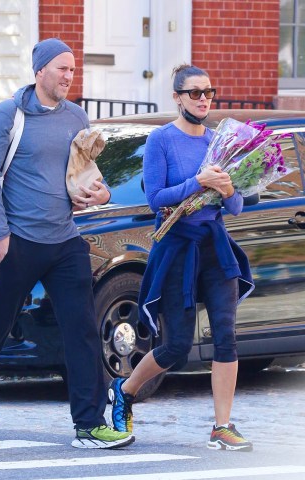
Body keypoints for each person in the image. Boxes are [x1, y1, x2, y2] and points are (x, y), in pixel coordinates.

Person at [0, 38, 134, 450]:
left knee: (83, 329)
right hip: (19, 241)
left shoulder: (76, 116)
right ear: (40, 72)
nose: (70, 76)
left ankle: (88, 424)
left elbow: (84, 174)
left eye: (73, 69)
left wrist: (98, 194)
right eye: (62, 69)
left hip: (65, 240)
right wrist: (0, 236)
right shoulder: (8, 115)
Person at [108, 64, 254, 452]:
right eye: (195, 92)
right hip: (176, 246)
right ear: (176, 97)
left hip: (214, 244)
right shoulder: (161, 141)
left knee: (226, 335)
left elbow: (237, 205)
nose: (204, 98)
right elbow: (156, 198)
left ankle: (222, 426)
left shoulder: (220, 141)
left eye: (208, 92)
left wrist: (226, 189)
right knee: (176, 347)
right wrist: (199, 182)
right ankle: (124, 390)